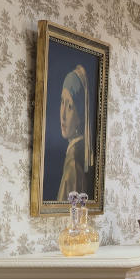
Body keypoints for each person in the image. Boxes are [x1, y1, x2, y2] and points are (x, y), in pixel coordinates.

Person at [56, 65, 92, 200]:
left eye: (70, 106)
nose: (63, 115)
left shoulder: (73, 161)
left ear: (81, 116)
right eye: (62, 102)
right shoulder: (77, 151)